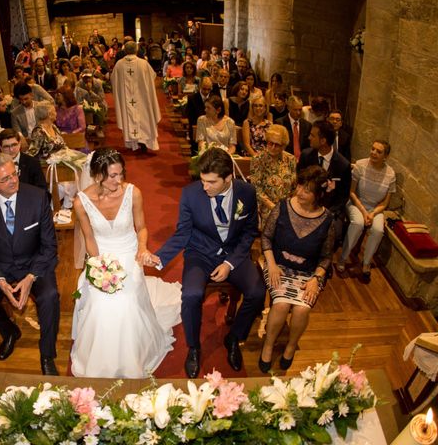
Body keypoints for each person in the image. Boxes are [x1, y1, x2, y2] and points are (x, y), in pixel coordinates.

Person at [150, 148, 266, 376]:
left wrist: (230, 264)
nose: (205, 187)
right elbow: (182, 233)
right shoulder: (190, 194)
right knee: (191, 295)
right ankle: (193, 347)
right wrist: (159, 257)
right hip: (200, 253)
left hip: (234, 254)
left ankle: (234, 338)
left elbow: (250, 232)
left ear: (228, 178)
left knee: (257, 292)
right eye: (202, 181)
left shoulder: (247, 192)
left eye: (211, 182)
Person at [71, 148, 181, 378]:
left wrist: (142, 248)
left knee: (126, 302)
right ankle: (100, 363)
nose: (118, 180)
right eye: (112, 175)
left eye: (121, 174)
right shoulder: (81, 203)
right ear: (97, 174)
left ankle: (132, 360)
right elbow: (89, 237)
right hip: (102, 257)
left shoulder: (133, 193)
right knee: (100, 304)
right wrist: (99, 266)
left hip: (129, 253)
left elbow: (141, 228)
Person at [0, 153, 60, 375]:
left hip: (34, 263)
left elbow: (49, 246)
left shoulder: (38, 197)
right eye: (5, 179)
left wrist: (31, 277)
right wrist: (0, 280)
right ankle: (10, 331)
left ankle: (47, 354)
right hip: (0, 266)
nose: (13, 181)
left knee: (49, 297)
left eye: (15, 174)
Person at [258, 166, 335, 372]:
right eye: (299, 186)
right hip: (279, 266)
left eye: (307, 190)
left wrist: (316, 279)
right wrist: (271, 265)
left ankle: (291, 346)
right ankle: (268, 344)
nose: (299, 192)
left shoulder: (327, 219)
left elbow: (327, 257)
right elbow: (266, 237)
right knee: (282, 305)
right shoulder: (282, 207)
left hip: (308, 273)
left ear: (318, 195)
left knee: (302, 309)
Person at [337, 140, 396, 282]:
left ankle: (366, 262)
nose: (374, 153)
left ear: (386, 156)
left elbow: (385, 202)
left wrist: (373, 213)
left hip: (376, 208)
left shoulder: (390, 174)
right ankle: (343, 258)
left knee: (378, 230)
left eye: (379, 151)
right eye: (373, 149)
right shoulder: (360, 165)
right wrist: (364, 212)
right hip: (356, 203)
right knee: (358, 223)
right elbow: (351, 192)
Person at [298, 120, 351, 240]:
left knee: (334, 233)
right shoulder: (306, 156)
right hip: (306, 204)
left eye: (313, 135)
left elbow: (343, 196)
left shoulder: (343, 165)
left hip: (330, 209)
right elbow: (299, 182)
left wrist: (327, 212)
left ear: (323, 141)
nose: (309, 137)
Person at [111, 41, 161, 152]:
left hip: (126, 100)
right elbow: (152, 76)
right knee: (145, 119)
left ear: (124, 50)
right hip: (143, 99)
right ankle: (144, 141)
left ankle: (133, 143)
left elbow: (113, 80)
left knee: (130, 118)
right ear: (137, 50)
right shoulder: (144, 63)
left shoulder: (119, 64)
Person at [250, 124, 297, 223]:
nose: (272, 147)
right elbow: (257, 189)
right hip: (266, 209)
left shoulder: (291, 159)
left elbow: (294, 186)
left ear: (284, 145)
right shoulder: (258, 159)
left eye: (277, 144)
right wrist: (275, 208)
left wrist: (289, 207)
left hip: (287, 207)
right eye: (270, 143)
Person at [275, 95, 312, 160]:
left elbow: (308, 147)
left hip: (303, 161)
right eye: (295, 110)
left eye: (300, 110)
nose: (298, 113)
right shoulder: (280, 123)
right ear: (289, 108)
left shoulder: (307, 125)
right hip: (285, 160)